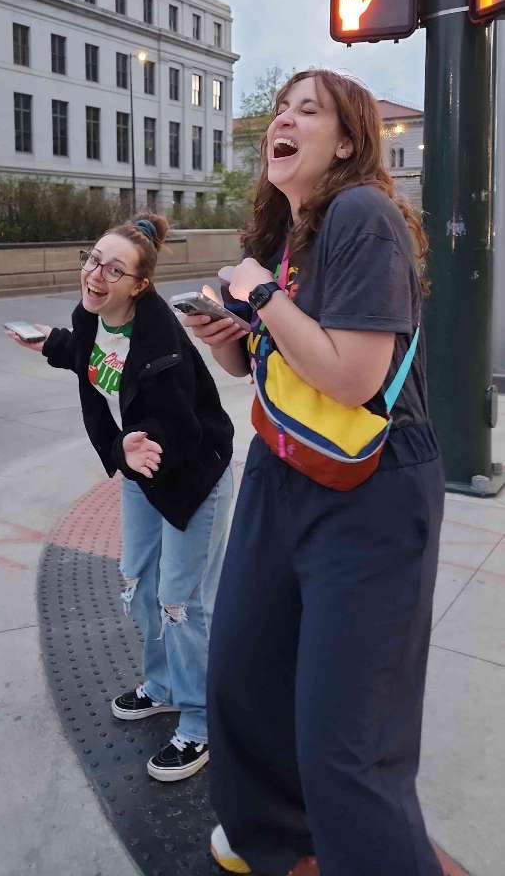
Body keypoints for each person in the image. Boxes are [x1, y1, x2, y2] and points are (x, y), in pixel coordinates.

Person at [184, 70, 445, 875]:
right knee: (243, 673)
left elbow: (353, 377)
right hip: (284, 464)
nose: (282, 122)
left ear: (346, 142)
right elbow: (272, 367)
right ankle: (273, 833)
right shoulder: (283, 235)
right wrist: (229, 338)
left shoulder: (363, 215)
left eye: (308, 110)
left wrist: (261, 294)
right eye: (279, 110)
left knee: (346, 737)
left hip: (372, 488)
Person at [8, 213, 234, 783]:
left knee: (180, 602)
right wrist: (50, 343)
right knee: (139, 583)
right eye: (93, 260)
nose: (96, 275)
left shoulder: (161, 343)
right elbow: (91, 358)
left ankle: (200, 722)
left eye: (114, 270)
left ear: (140, 285)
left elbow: (182, 428)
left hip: (191, 476)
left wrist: (135, 445)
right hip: (140, 470)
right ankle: (162, 686)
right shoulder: (90, 316)